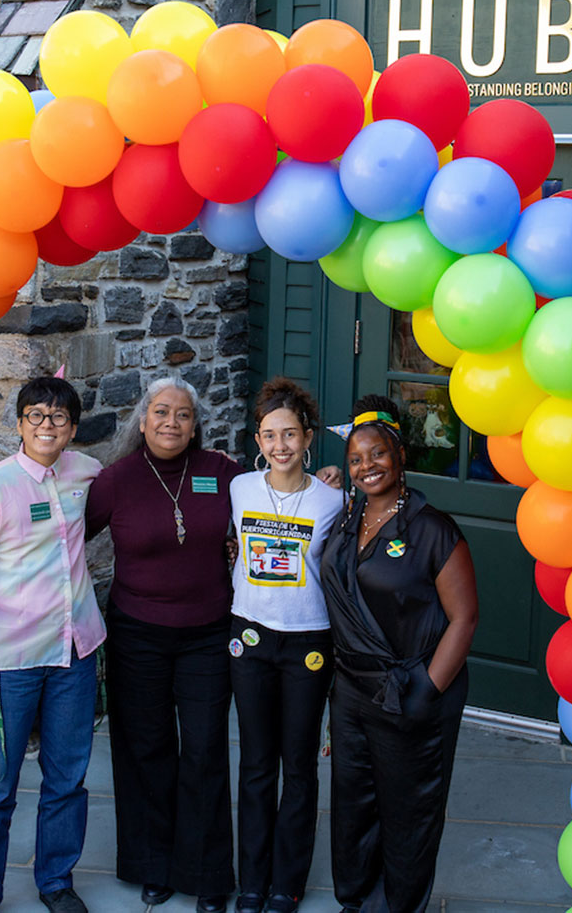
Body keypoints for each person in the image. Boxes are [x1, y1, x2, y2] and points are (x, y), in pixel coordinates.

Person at [86, 376, 242, 913]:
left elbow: (277, 503)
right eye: (160, 412)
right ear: (143, 419)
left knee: (203, 750)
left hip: (206, 634)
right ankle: (153, 865)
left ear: (196, 425)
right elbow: (62, 535)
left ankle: (206, 872)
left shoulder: (222, 473)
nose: (171, 423)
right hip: (137, 634)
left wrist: (326, 479)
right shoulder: (116, 480)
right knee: (144, 749)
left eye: (182, 414)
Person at [320, 394, 478, 913]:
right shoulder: (345, 519)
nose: (368, 466)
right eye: (356, 459)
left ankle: (399, 905)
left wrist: (428, 691)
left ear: (401, 456)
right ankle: (355, 898)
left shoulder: (433, 530)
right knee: (353, 803)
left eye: (378, 454)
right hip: (351, 692)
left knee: (408, 809)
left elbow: (464, 618)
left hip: (411, 690)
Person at [0, 376, 104, 913]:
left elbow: (139, 485)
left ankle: (56, 882)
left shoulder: (87, 474)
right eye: (36, 416)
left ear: (72, 428)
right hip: (11, 660)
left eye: (58, 417)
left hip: (75, 654)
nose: (47, 425)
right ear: (18, 423)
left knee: (68, 779)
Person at [228, 378, 344, 913]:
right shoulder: (239, 489)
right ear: (258, 438)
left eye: (290, 434)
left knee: (298, 765)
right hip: (250, 634)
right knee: (255, 763)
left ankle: (286, 883)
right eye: (271, 435)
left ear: (309, 437)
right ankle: (252, 880)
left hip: (308, 642)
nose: (280, 446)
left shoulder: (334, 499)